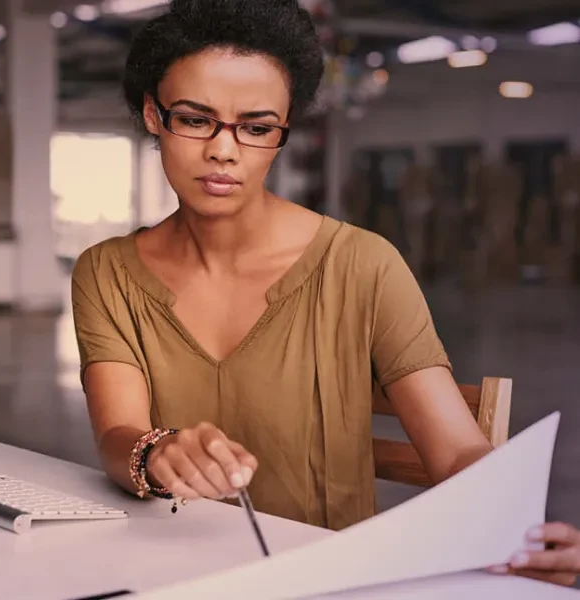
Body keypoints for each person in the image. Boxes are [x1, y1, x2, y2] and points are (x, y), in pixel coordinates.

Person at [69, 0, 580, 587]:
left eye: (256, 128)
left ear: (282, 134)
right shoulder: (107, 272)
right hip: (168, 574)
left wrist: (518, 527)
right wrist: (157, 453)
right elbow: (117, 436)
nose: (224, 150)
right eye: (194, 118)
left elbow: (455, 451)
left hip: (327, 582)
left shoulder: (363, 265)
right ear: (153, 115)